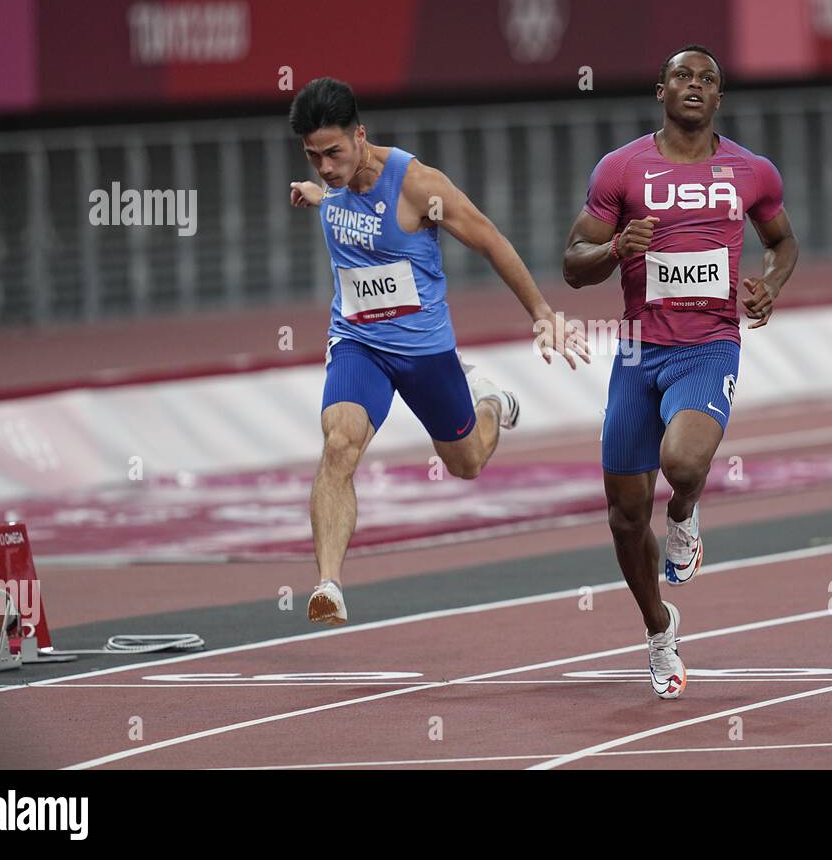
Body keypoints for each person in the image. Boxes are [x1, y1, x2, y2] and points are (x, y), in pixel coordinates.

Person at [289, 77, 588, 625]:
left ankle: (491, 399)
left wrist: (543, 314)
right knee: (339, 444)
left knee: (466, 463)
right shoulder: (332, 183)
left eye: (333, 153)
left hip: (425, 352)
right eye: (313, 157)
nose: (325, 167)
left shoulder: (417, 184)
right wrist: (319, 193)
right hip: (358, 344)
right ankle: (329, 583)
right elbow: (336, 194)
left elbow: (491, 240)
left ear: (360, 135)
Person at [561, 45, 798, 699]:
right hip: (638, 352)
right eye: (683, 76)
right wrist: (613, 247)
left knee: (684, 463)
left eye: (708, 79)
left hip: (707, 347)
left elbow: (783, 241)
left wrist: (771, 285)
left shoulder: (750, 171)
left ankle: (687, 514)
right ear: (660, 89)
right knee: (624, 516)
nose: (695, 85)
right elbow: (572, 264)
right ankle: (659, 629)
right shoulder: (622, 168)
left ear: (718, 98)